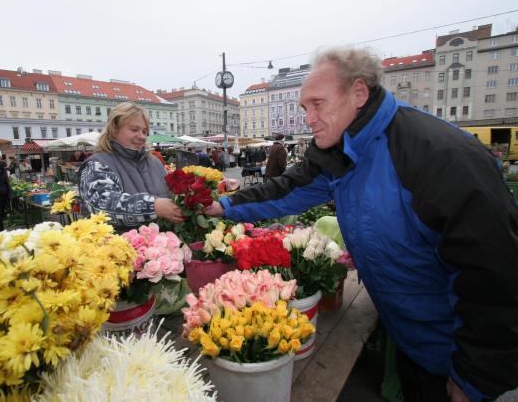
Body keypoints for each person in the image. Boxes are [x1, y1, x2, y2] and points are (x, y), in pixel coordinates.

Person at [205, 47, 518, 402]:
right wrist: (223, 205)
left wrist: (474, 376)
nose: (308, 118)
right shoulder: (339, 150)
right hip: (408, 340)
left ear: (358, 94)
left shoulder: (438, 155)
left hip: (450, 356)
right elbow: (287, 189)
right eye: (304, 108)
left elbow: (494, 274)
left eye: (318, 104)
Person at [78, 102, 184, 231]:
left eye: (145, 132)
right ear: (114, 129)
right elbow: (101, 204)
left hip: (162, 247)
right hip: (120, 248)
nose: (141, 136)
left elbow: (171, 195)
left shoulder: (155, 162)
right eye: (134, 130)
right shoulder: (97, 164)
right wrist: (153, 206)